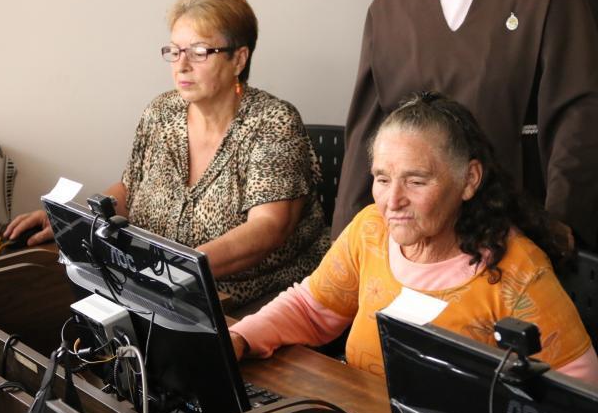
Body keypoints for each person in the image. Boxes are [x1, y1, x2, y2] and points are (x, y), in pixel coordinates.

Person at [230, 92, 598, 384]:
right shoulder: (371, 230)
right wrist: (240, 338)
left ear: (469, 180)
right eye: (382, 179)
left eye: (416, 181)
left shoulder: (518, 271)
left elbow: (579, 390)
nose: (392, 201)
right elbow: (311, 308)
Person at [5, 0, 329, 306]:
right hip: (161, 293)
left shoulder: (273, 122)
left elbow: (268, 227)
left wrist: (175, 272)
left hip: (258, 302)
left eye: (199, 52)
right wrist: (76, 223)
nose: (181, 65)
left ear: (239, 59)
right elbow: (129, 190)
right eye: (175, 51)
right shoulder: (161, 112)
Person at [331, 0, 598, 251]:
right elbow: (368, 130)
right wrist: (344, 241)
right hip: (417, 241)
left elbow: (577, 114)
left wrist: (560, 223)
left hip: (515, 229)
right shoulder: (390, 1)